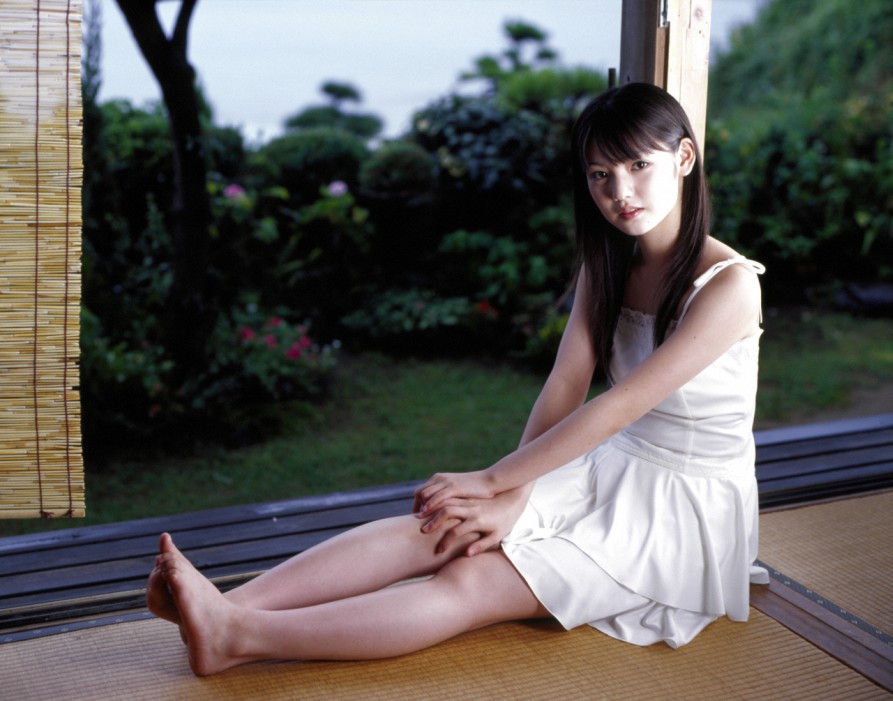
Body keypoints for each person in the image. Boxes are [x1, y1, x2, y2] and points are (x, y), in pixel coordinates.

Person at [147, 82, 768, 677]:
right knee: (445, 527)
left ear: (684, 158)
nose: (619, 191)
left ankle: (236, 638)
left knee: (472, 578)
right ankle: (220, 605)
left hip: (682, 510)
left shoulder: (731, 287)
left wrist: (497, 479)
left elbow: (621, 406)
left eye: (638, 165)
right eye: (600, 174)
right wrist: (512, 495)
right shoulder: (606, 262)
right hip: (609, 467)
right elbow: (567, 382)